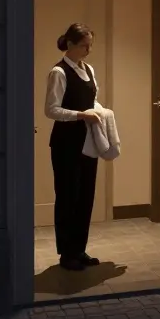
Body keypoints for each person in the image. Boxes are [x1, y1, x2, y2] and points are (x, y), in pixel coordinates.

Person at [45, 23, 106, 271]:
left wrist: (101, 112)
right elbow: (51, 110)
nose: (88, 51)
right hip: (66, 143)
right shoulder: (59, 72)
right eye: (84, 46)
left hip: (88, 140)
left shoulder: (88, 69)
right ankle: (66, 253)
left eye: (90, 45)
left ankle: (79, 249)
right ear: (70, 44)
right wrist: (81, 115)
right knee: (67, 196)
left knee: (85, 196)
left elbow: (92, 99)